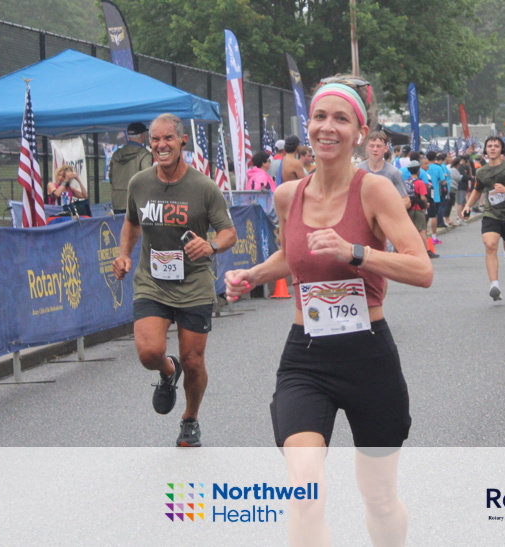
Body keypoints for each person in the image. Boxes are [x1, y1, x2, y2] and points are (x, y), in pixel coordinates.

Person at [224, 77, 433, 545]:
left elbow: (421, 269)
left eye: (341, 119)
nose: (327, 127)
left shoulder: (374, 190)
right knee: (303, 491)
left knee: (379, 497)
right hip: (307, 357)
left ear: (359, 133)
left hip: (368, 356)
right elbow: (295, 254)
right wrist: (253, 274)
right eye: (320, 117)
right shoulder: (288, 195)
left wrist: (355, 252)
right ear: (309, 126)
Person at [112, 113, 237, 447]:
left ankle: (190, 419)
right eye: (155, 139)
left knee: (193, 361)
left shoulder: (203, 187)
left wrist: (210, 246)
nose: (161, 145)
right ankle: (168, 371)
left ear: (183, 141)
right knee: (148, 353)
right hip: (152, 281)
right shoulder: (139, 183)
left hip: (193, 284)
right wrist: (124, 254)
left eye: (168, 138)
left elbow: (228, 233)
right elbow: (132, 222)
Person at [461, 136, 505, 302]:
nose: (492, 148)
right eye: (489, 146)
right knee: (490, 244)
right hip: (491, 213)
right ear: (485, 149)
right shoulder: (482, 171)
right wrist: (467, 206)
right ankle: (494, 285)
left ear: (501, 149)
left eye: (496, 146)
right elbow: (478, 190)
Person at [358, 130, 410, 211]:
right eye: (372, 146)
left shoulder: (393, 172)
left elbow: (406, 201)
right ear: (366, 148)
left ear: (386, 149)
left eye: (379, 146)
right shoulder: (358, 170)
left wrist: (386, 210)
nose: (375, 149)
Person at [110, 122, 153, 214]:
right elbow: (148, 179)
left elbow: (111, 177)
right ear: (142, 135)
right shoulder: (144, 154)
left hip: (118, 201)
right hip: (137, 201)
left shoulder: (116, 154)